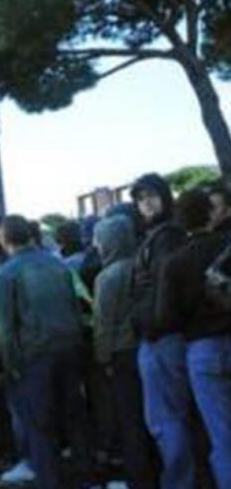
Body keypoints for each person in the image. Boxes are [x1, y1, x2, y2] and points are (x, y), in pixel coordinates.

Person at [0, 215, 92, 489]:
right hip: (69, 350)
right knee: (75, 421)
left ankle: (51, 481)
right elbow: (75, 307)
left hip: (34, 358)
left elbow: (3, 328)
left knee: (40, 426)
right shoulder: (57, 264)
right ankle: (86, 479)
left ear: (4, 240)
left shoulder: (7, 272)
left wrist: (10, 364)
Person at [158, 189, 231, 489]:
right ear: (211, 213)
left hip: (202, 349)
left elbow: (166, 318)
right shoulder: (226, 246)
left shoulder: (175, 262)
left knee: (222, 434)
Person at [129, 173, 196, 489]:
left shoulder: (166, 237)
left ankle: (178, 482)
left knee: (165, 421)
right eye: (140, 199)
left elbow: (167, 288)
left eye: (151, 196)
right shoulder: (159, 235)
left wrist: (154, 326)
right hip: (161, 337)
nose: (146, 203)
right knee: (169, 419)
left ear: (165, 196)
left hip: (161, 340)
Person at [92, 214, 160, 489]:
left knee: (129, 419)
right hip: (148, 348)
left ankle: (138, 478)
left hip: (120, 355)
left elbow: (103, 325)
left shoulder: (106, 277)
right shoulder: (142, 264)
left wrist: (102, 358)